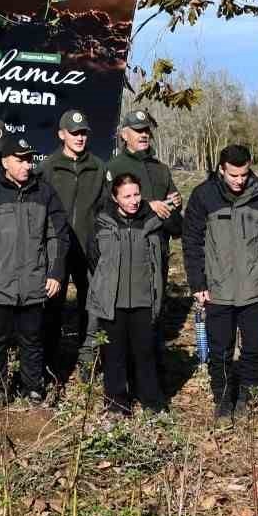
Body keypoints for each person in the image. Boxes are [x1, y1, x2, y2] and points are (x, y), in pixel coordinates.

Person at [182, 144, 258, 422]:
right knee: (220, 349)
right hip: (217, 289)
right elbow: (192, 242)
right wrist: (197, 282)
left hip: (255, 288)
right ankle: (223, 399)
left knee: (254, 347)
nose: (240, 181)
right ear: (221, 170)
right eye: (233, 176)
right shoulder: (203, 196)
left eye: (244, 174)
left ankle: (247, 400)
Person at [0, 135, 69, 405]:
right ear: (5, 161)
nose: (26, 165)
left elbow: (57, 235)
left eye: (29, 159)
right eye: (20, 160)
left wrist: (55, 272)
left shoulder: (44, 193)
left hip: (33, 283)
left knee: (32, 340)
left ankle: (32, 388)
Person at [86, 173, 178, 416]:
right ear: (115, 198)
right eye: (127, 196)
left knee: (145, 352)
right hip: (112, 300)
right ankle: (116, 404)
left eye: (137, 194)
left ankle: (152, 402)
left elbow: (174, 236)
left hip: (144, 299)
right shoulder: (102, 222)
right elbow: (93, 257)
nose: (134, 200)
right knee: (114, 354)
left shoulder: (153, 220)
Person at [42, 109, 104, 379]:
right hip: (57, 248)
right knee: (51, 305)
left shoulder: (98, 167)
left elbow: (105, 209)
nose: (80, 137)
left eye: (83, 133)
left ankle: (87, 357)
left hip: (89, 248)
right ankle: (49, 361)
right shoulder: (48, 167)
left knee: (90, 303)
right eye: (74, 133)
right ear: (61, 134)